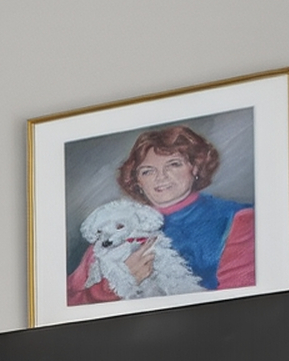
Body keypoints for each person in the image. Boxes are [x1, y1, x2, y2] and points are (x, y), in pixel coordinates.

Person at [66, 123, 254, 306]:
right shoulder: (113, 227)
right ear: (137, 180)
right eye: (148, 171)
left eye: (173, 164)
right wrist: (111, 288)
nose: (161, 177)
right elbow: (68, 300)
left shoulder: (237, 218)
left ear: (195, 167)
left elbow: (241, 302)